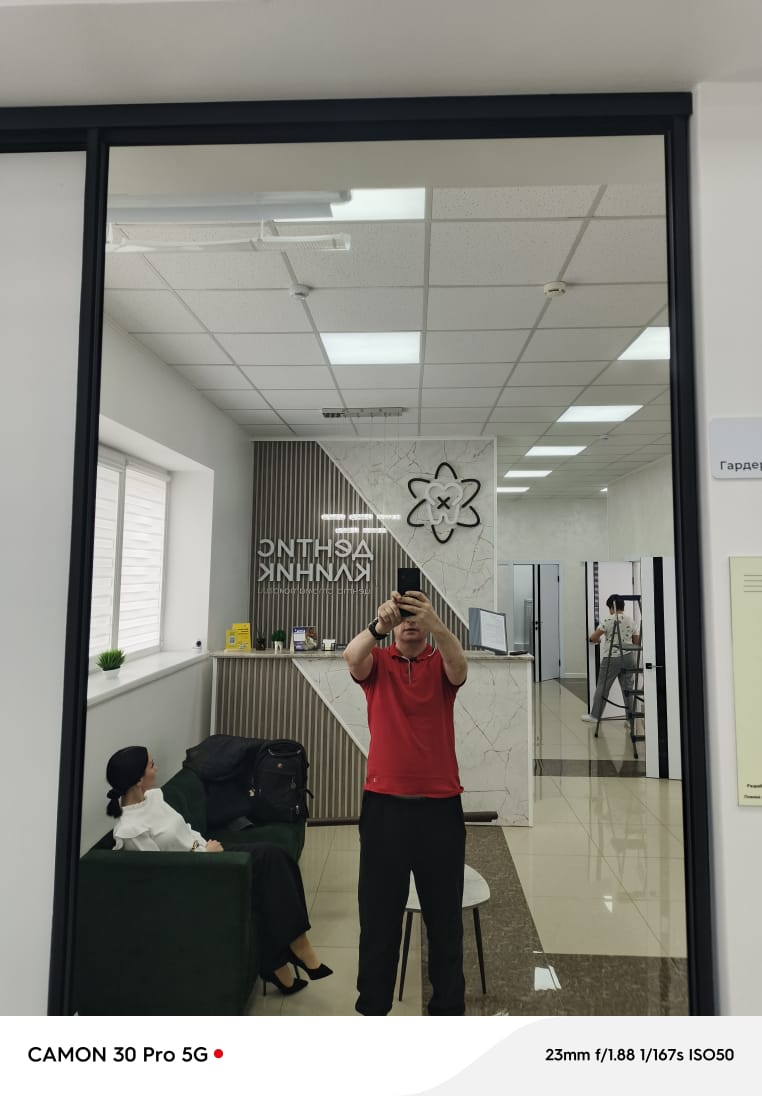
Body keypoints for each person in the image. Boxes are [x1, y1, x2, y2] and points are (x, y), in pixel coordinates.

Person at [105, 745, 332, 996]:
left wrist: (203, 847)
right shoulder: (130, 831)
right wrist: (204, 856)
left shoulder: (153, 798)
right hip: (197, 875)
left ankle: (285, 955)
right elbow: (161, 876)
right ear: (138, 779)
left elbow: (186, 830)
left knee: (275, 857)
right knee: (268, 865)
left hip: (207, 853)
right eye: (151, 765)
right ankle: (294, 949)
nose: (156, 768)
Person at [343, 588, 469, 1016]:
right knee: (378, 921)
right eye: (404, 615)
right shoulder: (378, 663)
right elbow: (351, 656)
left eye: (417, 615)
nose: (410, 622)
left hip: (440, 809)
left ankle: (447, 1010)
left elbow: (460, 667)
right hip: (384, 809)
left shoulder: (441, 663)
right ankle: (373, 1008)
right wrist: (380, 625)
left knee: (445, 921)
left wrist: (435, 623)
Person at [582, 594, 641, 724]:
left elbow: (594, 637)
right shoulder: (631, 620)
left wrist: (591, 639)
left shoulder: (608, 620)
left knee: (602, 687)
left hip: (611, 658)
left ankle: (595, 716)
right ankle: (630, 720)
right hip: (628, 657)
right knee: (628, 689)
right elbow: (636, 641)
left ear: (611, 607)